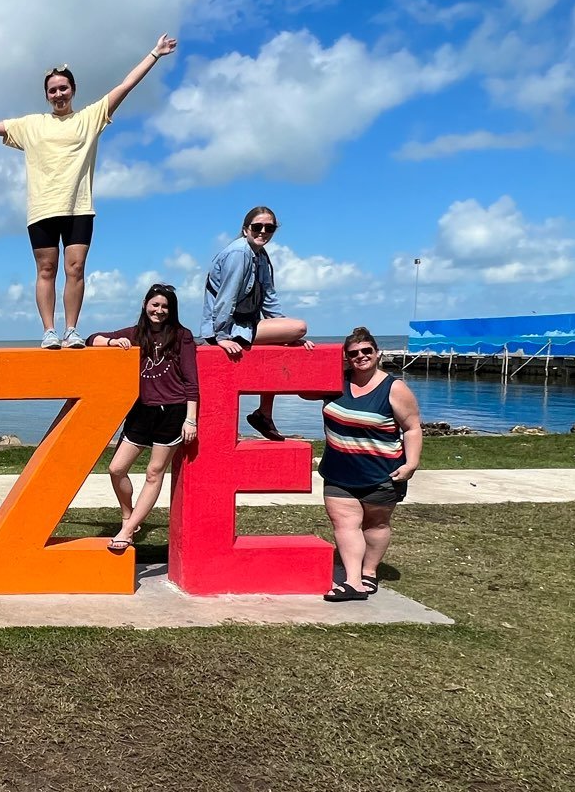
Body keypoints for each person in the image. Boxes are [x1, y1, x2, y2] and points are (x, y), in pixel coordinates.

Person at [0, 36, 178, 347]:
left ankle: (72, 330)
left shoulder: (90, 118)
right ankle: (50, 331)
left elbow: (125, 86)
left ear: (72, 90)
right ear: (46, 95)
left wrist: (154, 54)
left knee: (75, 269)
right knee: (46, 269)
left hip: (79, 208)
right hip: (42, 209)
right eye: (53, 90)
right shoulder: (30, 125)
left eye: (63, 88)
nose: (58, 93)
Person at [87, 284, 199, 554]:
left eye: (165, 307)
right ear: (145, 304)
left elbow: (191, 381)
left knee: (153, 473)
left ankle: (126, 530)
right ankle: (129, 516)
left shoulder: (182, 336)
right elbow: (92, 339)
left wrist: (191, 419)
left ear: (171, 310)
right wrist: (114, 343)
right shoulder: (135, 334)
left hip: (173, 412)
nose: (159, 311)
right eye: (155, 305)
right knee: (116, 469)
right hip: (141, 411)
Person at [318, 326, 422, 604]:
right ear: (346, 358)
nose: (361, 357)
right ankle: (352, 581)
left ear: (377, 353)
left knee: (376, 525)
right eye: (353, 353)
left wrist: (411, 463)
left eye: (367, 351)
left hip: (382, 473)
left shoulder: (395, 388)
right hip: (339, 472)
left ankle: (369, 571)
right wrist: (298, 347)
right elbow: (299, 384)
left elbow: (412, 428)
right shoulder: (334, 382)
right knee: (344, 524)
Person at [200, 205, 308, 440]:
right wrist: (221, 337)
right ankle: (262, 414)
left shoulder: (260, 255)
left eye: (269, 228)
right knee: (300, 326)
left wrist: (286, 334)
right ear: (245, 229)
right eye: (257, 227)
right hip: (226, 328)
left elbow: (269, 298)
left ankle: (264, 413)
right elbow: (226, 298)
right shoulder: (239, 253)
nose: (263, 231)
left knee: (290, 335)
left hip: (242, 326)